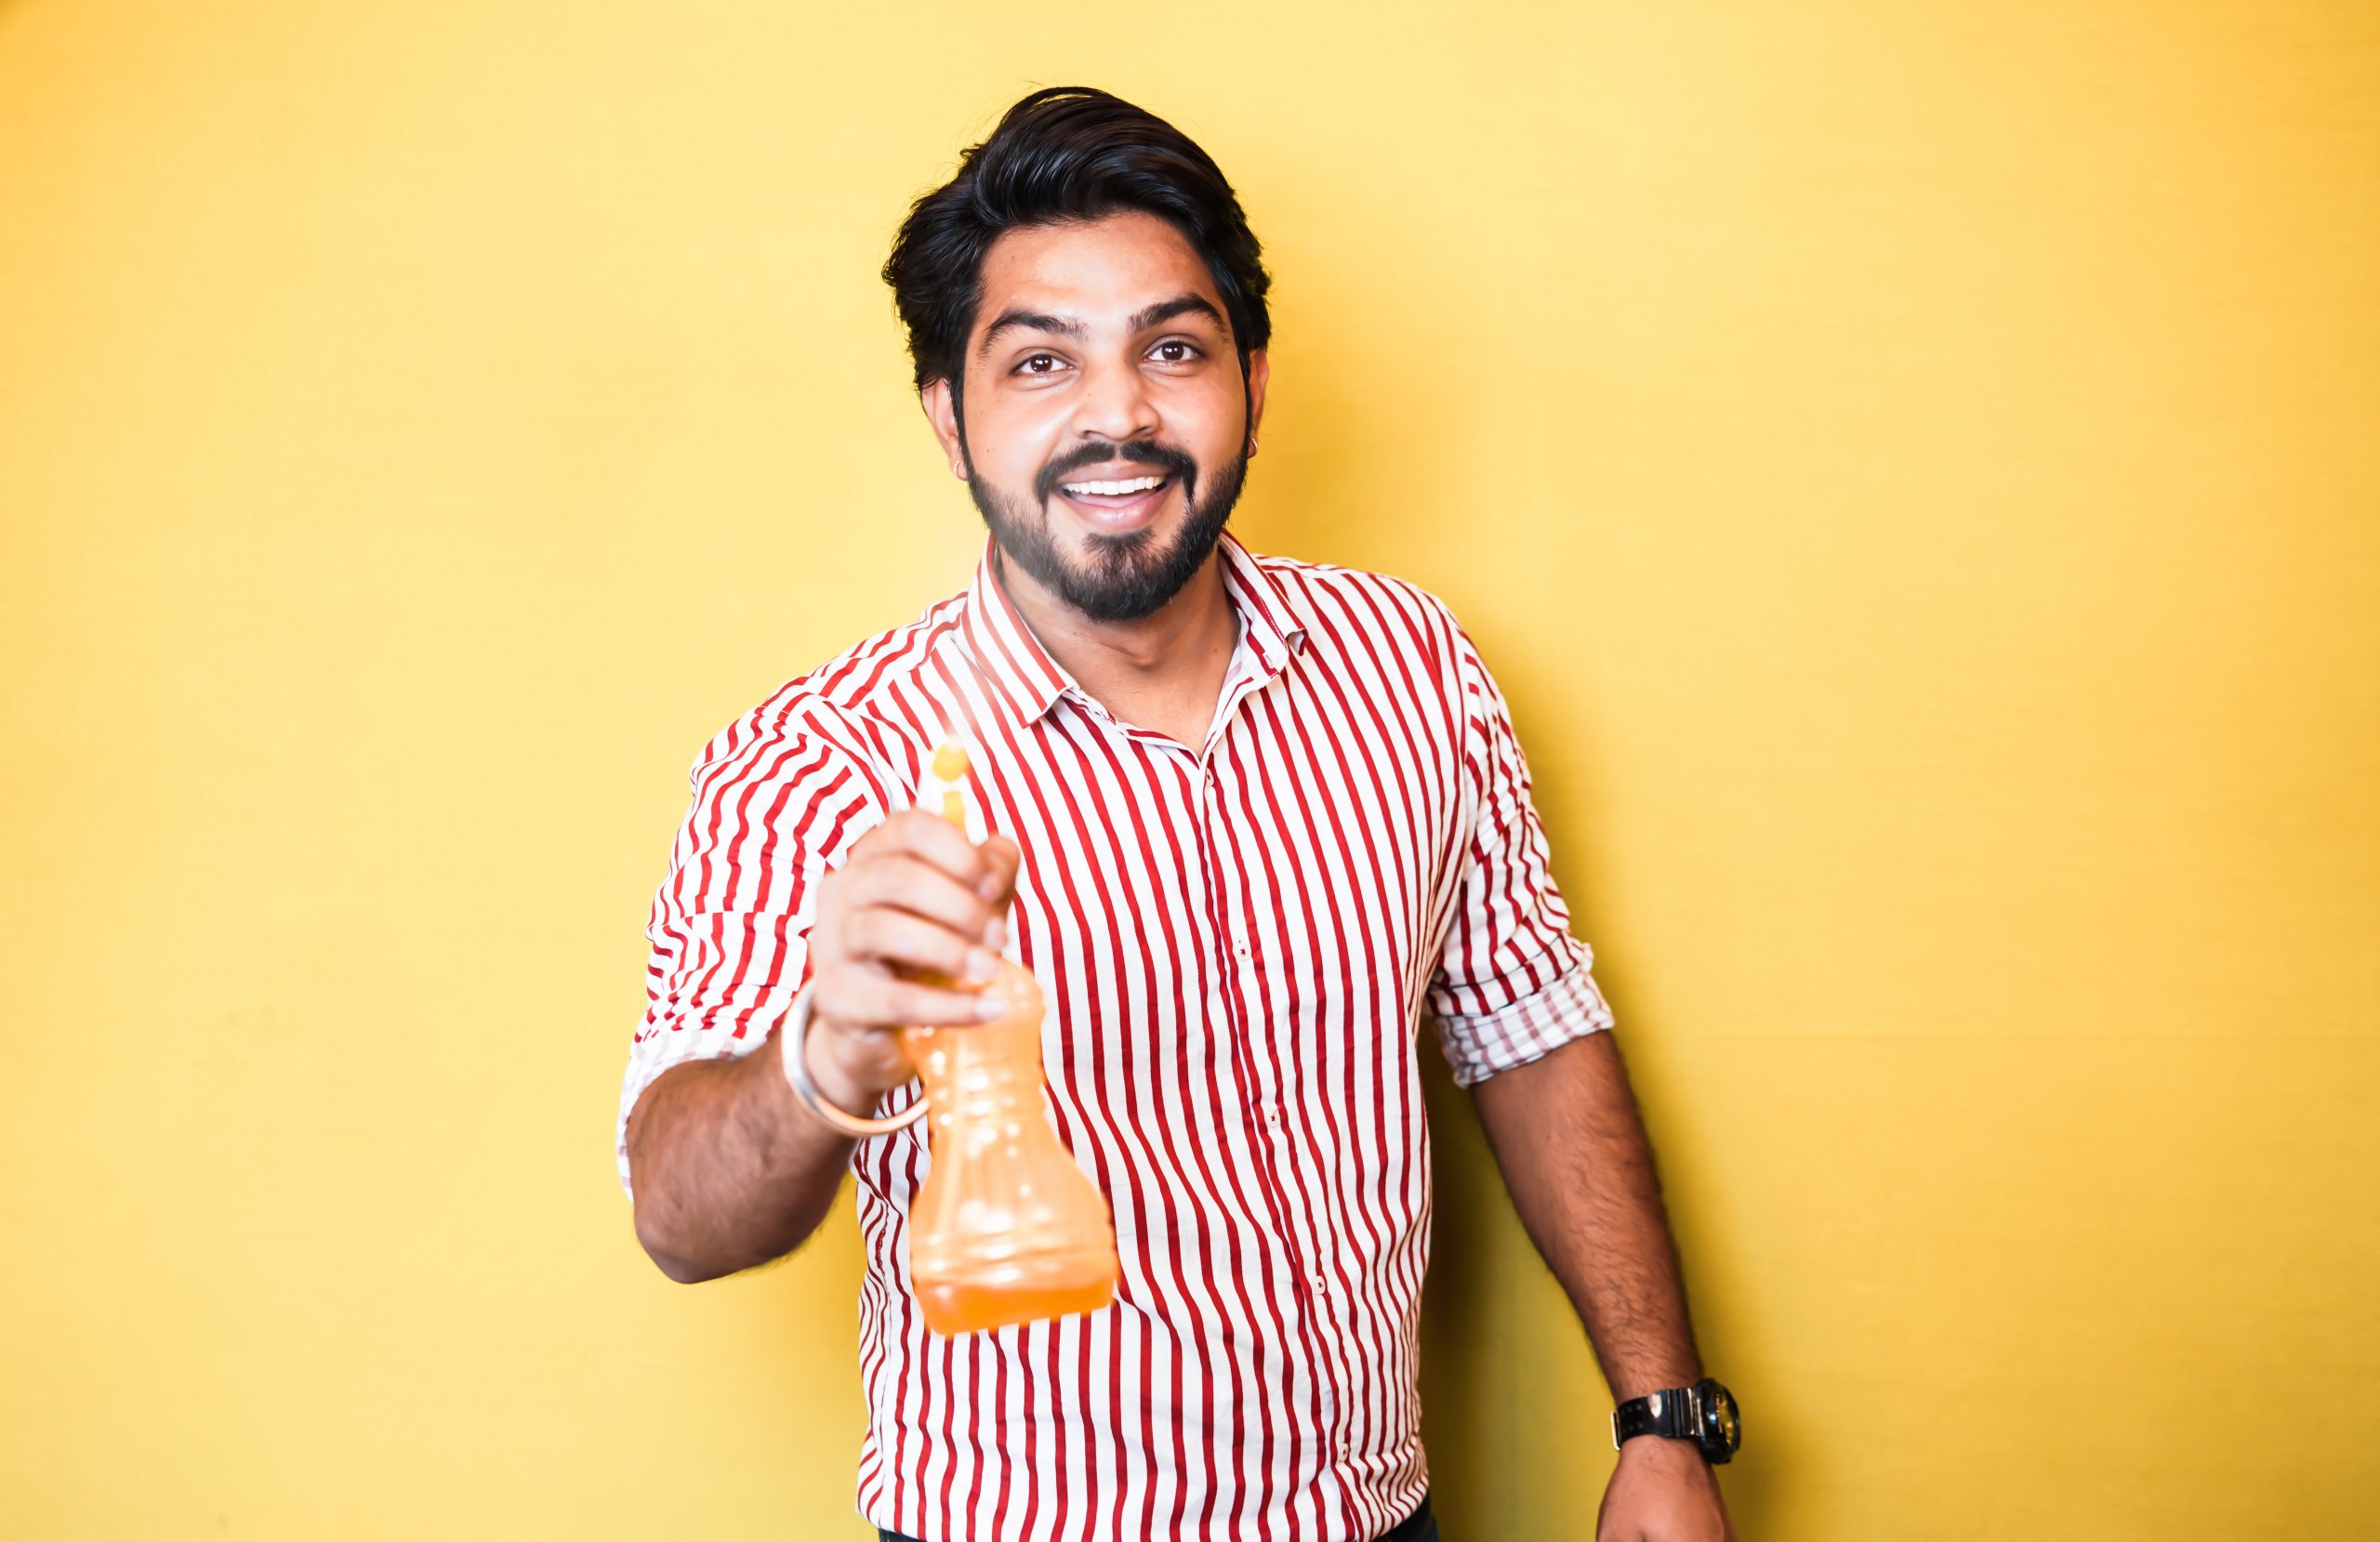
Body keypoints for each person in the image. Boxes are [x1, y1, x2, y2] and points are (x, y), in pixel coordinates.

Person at [616, 85, 1737, 1542]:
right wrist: (821, 1059)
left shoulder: (1412, 667)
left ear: (1253, 388)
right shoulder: (820, 760)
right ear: (950, 419)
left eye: (1173, 347)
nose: (1119, 413)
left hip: (1381, 1517)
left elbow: (1530, 1040)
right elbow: (678, 1214)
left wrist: (1660, 1415)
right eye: (1039, 364)